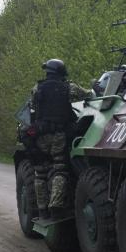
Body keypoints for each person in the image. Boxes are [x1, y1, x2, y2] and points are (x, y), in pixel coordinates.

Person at [29, 59, 88, 219]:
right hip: (59, 135)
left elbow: (33, 106)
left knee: (40, 173)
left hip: (40, 136)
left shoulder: (37, 88)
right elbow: (88, 95)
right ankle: (55, 206)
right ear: (61, 72)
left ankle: (42, 209)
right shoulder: (68, 88)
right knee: (59, 169)